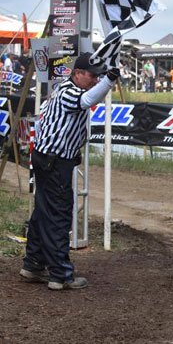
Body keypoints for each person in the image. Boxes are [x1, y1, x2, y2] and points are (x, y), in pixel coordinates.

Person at [20, 52, 119, 290]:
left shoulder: (68, 88)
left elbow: (88, 98)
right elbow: (86, 101)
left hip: (49, 159)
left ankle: (34, 263)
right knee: (58, 215)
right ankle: (60, 274)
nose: (95, 79)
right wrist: (109, 80)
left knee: (44, 212)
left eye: (98, 76)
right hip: (54, 161)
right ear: (77, 74)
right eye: (92, 75)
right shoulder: (69, 92)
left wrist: (106, 79)